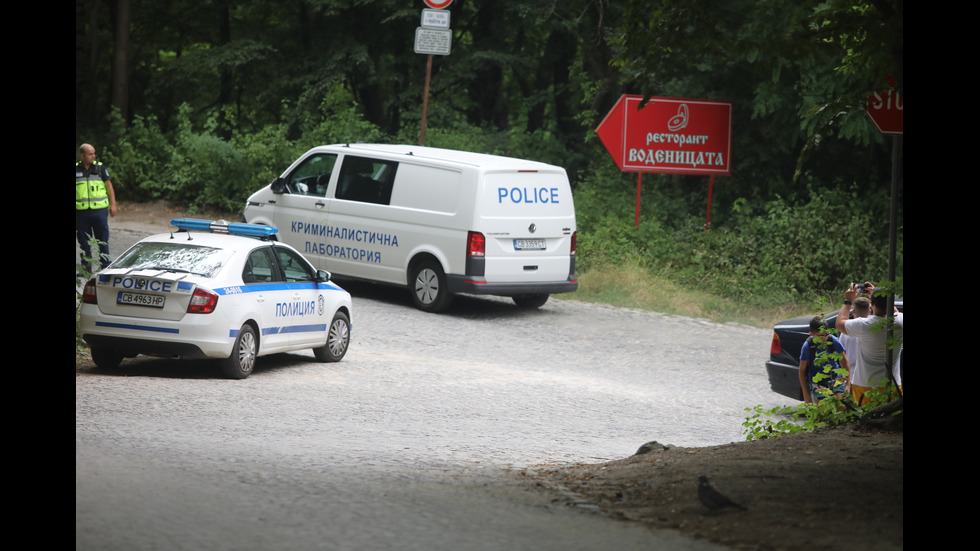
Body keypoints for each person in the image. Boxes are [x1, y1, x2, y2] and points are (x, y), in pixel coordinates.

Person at [835, 282, 903, 405]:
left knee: (866, 422)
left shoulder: (864, 325)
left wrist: (848, 301)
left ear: (872, 305)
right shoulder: (900, 323)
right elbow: (896, 314)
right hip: (893, 384)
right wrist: (882, 297)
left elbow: (840, 324)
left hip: (864, 385)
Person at [76, 143, 117, 270]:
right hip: (81, 212)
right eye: (90, 154)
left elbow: (109, 186)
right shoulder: (76, 169)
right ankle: (86, 268)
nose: (93, 156)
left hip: (99, 211)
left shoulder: (100, 168)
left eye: (94, 153)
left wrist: (113, 204)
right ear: (82, 155)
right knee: (84, 243)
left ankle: (105, 266)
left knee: (102, 240)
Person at [798, 316, 850, 404]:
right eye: (821, 336)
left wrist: (848, 384)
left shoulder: (832, 340)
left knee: (841, 406)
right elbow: (802, 370)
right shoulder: (808, 346)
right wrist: (805, 393)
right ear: (811, 334)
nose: (825, 338)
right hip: (818, 381)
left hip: (835, 377)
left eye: (827, 334)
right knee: (822, 411)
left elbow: (844, 361)